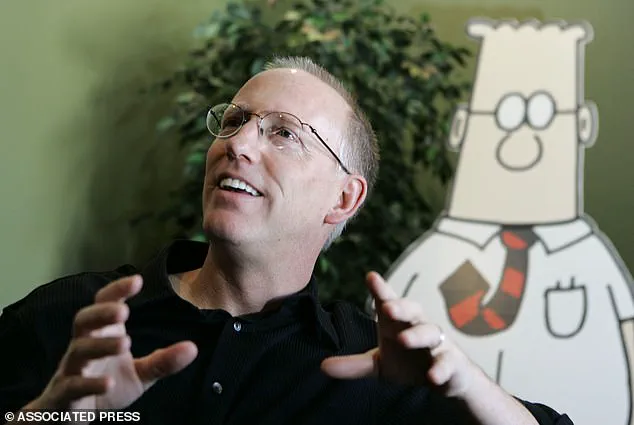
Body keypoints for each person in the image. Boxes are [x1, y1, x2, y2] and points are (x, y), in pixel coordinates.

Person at [0, 56, 572, 425]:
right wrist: (48, 417)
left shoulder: (375, 368)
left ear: (343, 199)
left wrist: (463, 378)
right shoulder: (74, 319)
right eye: (234, 121)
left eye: (283, 133)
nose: (237, 144)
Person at [382, 19, 634, 425]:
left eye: (543, 116)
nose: (522, 138)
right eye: (505, 115)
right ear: (463, 126)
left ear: (582, 125)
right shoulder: (435, 258)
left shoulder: (588, 257)